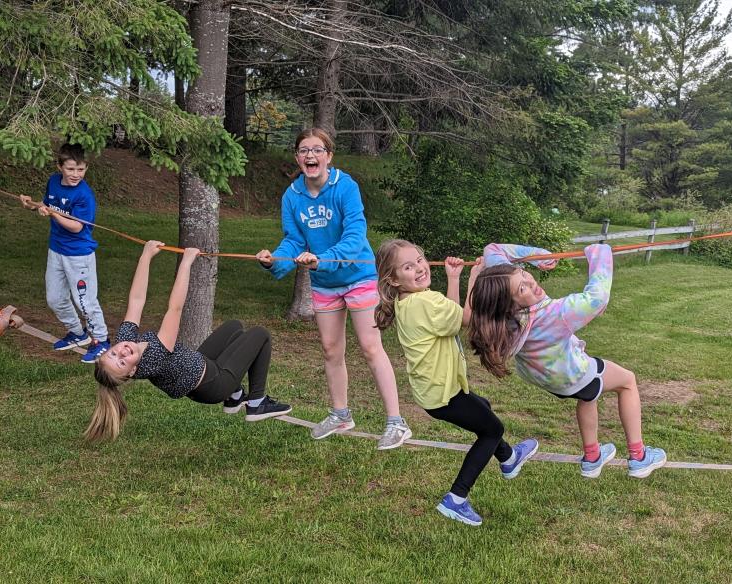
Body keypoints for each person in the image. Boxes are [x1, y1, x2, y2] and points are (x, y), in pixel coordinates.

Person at [256, 128, 410, 451]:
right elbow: (294, 240)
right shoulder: (292, 196)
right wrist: (276, 261)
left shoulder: (345, 187)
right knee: (330, 350)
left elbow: (355, 235)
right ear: (297, 157)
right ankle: (341, 414)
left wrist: (323, 259)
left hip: (358, 275)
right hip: (325, 282)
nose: (310, 156)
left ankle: (397, 422)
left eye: (317, 150)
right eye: (303, 150)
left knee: (370, 347)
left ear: (329, 156)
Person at [374, 239, 539, 526]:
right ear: (393, 279)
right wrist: (474, 280)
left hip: (434, 391)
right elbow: (466, 318)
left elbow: (448, 317)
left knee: (482, 407)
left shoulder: (409, 301)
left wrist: (457, 277)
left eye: (421, 259)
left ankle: (509, 456)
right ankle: (456, 498)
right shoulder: (426, 301)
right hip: (443, 393)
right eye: (408, 266)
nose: (420, 268)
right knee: (492, 428)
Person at [467, 243, 666, 479]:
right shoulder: (554, 314)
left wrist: (537, 257)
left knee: (588, 396)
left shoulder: (503, 303)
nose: (531, 282)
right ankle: (639, 457)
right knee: (627, 381)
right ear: (509, 303)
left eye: (524, 274)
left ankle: (592, 458)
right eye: (522, 289)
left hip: (549, 379)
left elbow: (493, 250)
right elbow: (597, 298)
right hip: (575, 374)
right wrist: (599, 253)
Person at [85, 240, 291, 441]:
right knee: (260, 334)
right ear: (131, 372)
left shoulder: (125, 340)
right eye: (121, 362)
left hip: (199, 365)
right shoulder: (154, 357)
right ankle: (256, 402)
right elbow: (175, 308)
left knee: (234, 327)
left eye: (113, 353)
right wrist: (186, 263)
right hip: (213, 384)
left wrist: (145, 256)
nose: (121, 353)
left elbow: (137, 300)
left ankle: (235, 396)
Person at [19, 144, 109, 364]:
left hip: (79, 255)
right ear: (60, 166)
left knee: (85, 301)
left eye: (80, 169)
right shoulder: (53, 181)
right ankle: (78, 333)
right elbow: (47, 205)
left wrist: (53, 213)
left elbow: (76, 227)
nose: (76, 175)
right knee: (55, 298)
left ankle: (101, 341)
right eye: (70, 169)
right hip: (56, 250)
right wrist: (31, 204)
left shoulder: (84, 195)